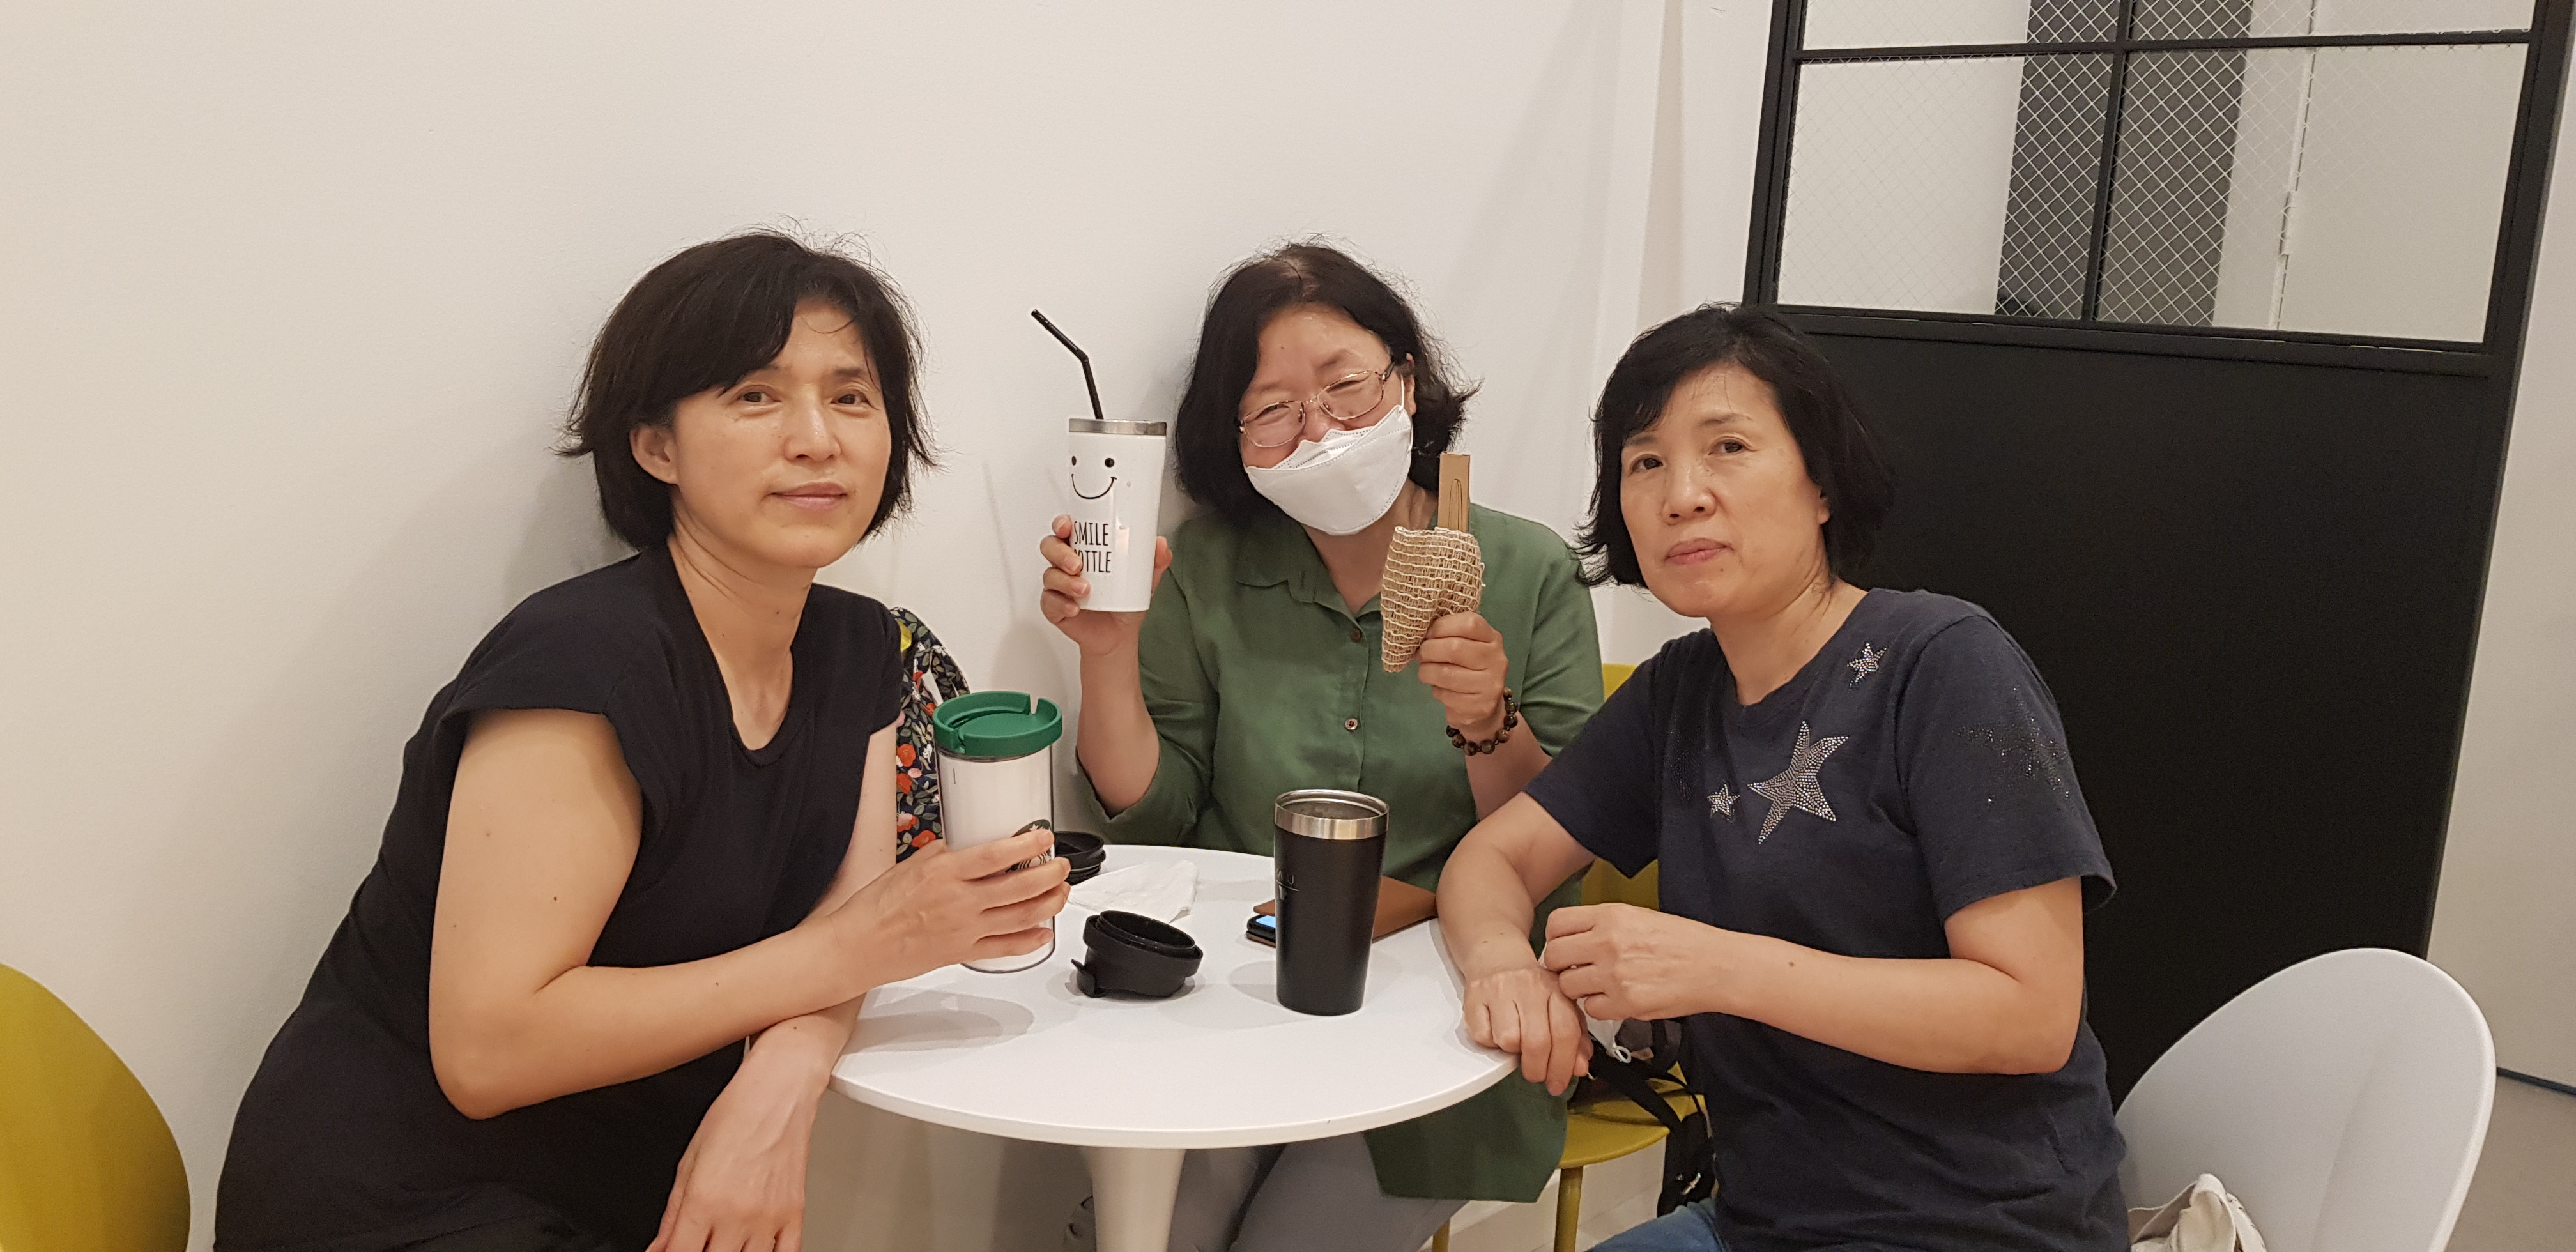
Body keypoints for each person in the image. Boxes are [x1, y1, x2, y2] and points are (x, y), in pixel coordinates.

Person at [217, 234, 1070, 1252]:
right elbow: (489, 1051)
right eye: (755, 396)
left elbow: (844, 931)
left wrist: (784, 1078)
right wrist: (862, 946)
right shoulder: (585, 663)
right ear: (656, 446)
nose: (816, 438)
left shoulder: (859, 648)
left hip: (628, 1196)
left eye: (851, 397)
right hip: (401, 1196)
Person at [1437, 305, 2128, 1252]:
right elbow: (1494, 856)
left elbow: (2031, 1015)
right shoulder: (1680, 692)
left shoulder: (1944, 662)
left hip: (1983, 1225)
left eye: (1728, 447)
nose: (1683, 495)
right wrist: (1502, 964)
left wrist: (1717, 967)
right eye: (1646, 462)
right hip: (1765, 1220)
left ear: (1822, 484)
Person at [1037, 243, 1602, 1252]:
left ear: (1407, 384)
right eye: (1274, 409)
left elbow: (1561, 845)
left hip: (1444, 1004)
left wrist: (1489, 720)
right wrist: (1107, 655)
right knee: (1151, 1232)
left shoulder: (1524, 569)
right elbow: (1156, 810)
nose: (1322, 430)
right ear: (1235, 436)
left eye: (1346, 387)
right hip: (1230, 989)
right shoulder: (1209, 565)